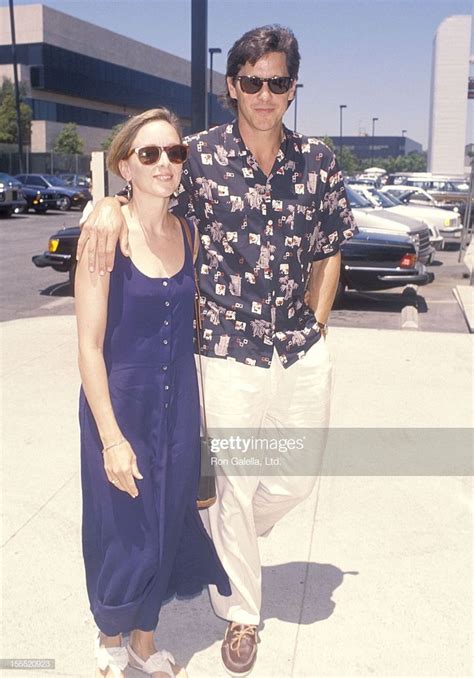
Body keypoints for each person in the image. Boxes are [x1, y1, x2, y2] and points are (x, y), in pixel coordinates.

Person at [78, 25, 357, 677]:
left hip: (297, 343)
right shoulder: (198, 155)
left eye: (278, 82)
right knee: (233, 486)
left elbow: (330, 251)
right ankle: (241, 614)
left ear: (293, 89)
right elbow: (146, 185)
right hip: (226, 348)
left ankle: (227, 554)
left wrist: (315, 328)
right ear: (232, 86)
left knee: (294, 475)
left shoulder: (319, 161)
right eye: (253, 81)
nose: (265, 94)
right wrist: (109, 208)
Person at [76, 107, 230, 678]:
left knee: (166, 521)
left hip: (177, 403)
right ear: (125, 166)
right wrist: (112, 439)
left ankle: (144, 640)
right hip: (120, 407)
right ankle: (110, 636)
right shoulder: (102, 234)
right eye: (150, 154)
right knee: (121, 527)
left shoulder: (187, 230)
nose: (165, 163)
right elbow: (89, 347)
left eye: (175, 152)